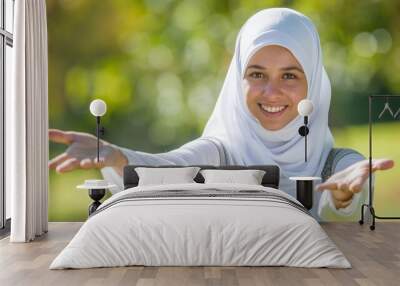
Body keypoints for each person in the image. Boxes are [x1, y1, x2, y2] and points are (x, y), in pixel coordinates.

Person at [48, 8, 393, 221]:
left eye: (290, 75)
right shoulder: (221, 150)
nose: (271, 93)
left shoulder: (328, 159)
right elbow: (169, 165)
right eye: (257, 74)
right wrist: (117, 156)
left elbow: (348, 170)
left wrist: (347, 188)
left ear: (313, 83)